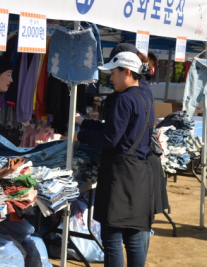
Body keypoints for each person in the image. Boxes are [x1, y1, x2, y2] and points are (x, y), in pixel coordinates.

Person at [74, 51, 154, 267]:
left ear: (127, 72)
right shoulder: (145, 96)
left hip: (120, 175)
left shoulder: (123, 99)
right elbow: (118, 130)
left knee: (112, 238)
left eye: (113, 73)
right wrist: (85, 123)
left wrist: (79, 135)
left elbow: (109, 138)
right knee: (133, 236)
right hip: (139, 173)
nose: (110, 78)